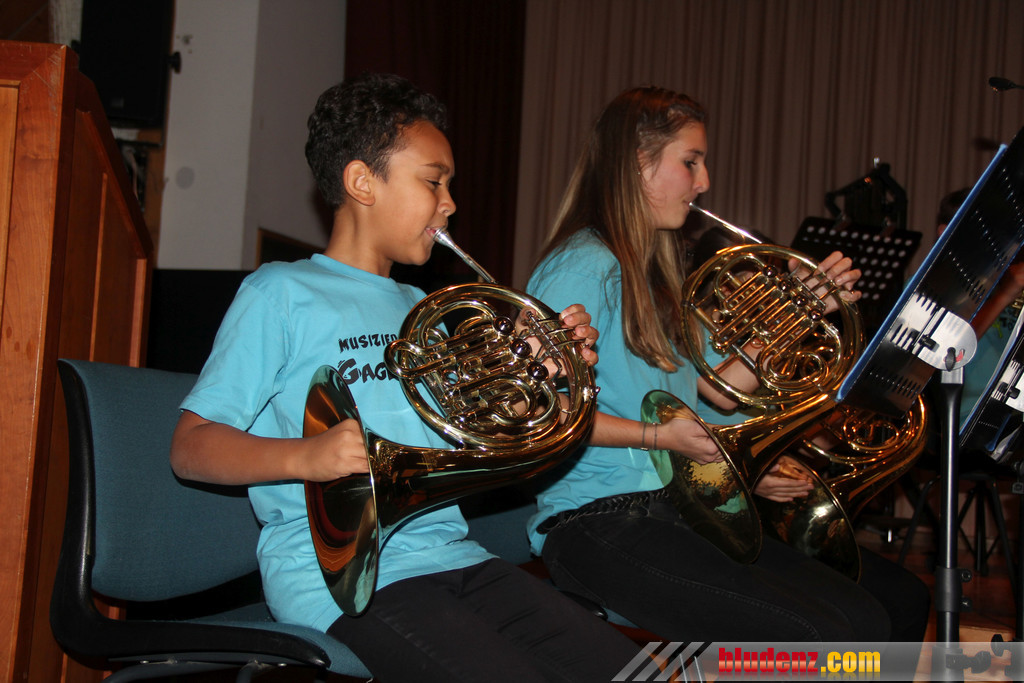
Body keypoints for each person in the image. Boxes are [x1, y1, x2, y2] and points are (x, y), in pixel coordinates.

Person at [169, 72, 644, 683]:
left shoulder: (420, 308)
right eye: (433, 181)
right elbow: (190, 448)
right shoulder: (280, 292)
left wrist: (539, 375)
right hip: (342, 576)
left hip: (456, 556)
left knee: (638, 670)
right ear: (362, 182)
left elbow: (468, 442)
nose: (450, 203)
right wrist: (306, 456)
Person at [524, 85, 931, 646]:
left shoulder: (657, 273)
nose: (704, 181)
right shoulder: (582, 267)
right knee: (819, 636)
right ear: (637, 165)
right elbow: (542, 419)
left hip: (675, 507)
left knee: (870, 617)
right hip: (597, 518)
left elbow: (716, 390)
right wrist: (658, 437)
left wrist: (797, 311)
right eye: (690, 162)